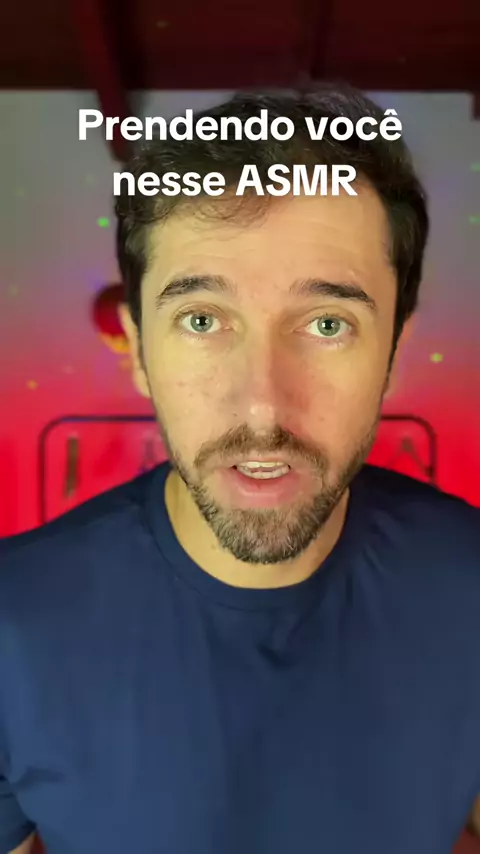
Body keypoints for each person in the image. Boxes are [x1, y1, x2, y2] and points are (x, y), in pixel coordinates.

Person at [1, 85, 480, 854]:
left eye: (328, 323)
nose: (262, 407)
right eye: (201, 319)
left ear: (394, 350)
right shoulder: (12, 622)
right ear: (138, 347)